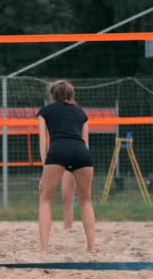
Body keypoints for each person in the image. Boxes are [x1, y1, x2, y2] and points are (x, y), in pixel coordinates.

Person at [37, 80, 96, 253]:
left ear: (52, 95)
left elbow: (42, 140)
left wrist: (44, 167)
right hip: (81, 152)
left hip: (58, 149)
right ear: (71, 95)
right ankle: (92, 247)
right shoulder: (81, 113)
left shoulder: (45, 111)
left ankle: (44, 249)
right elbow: (85, 142)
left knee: (46, 199)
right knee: (86, 199)